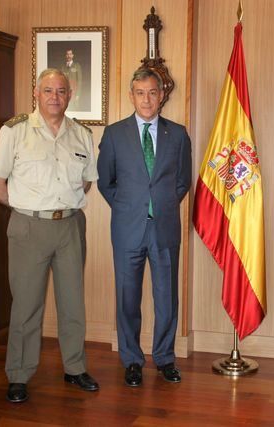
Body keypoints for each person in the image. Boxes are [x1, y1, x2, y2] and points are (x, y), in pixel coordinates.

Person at [0, 68, 99, 403]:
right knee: (26, 306)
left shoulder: (81, 134)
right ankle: (18, 375)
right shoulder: (15, 131)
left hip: (70, 227)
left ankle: (75, 368)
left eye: (61, 91)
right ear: (36, 93)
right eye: (48, 90)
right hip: (28, 227)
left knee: (72, 303)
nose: (55, 97)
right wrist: (24, 207)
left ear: (70, 94)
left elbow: (87, 180)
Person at [97, 68, 192, 386]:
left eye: (152, 92)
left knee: (166, 296)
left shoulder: (177, 134)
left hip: (164, 227)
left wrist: (159, 205)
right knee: (127, 297)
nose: (147, 98)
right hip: (127, 229)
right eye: (140, 92)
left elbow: (182, 182)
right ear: (131, 95)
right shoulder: (114, 133)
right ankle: (132, 360)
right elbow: (106, 181)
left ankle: (165, 358)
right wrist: (129, 208)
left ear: (161, 94)